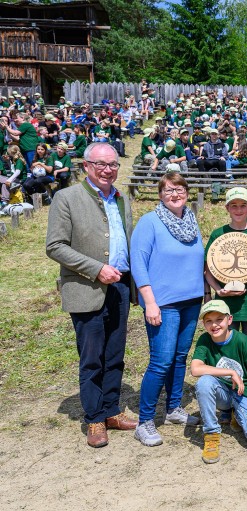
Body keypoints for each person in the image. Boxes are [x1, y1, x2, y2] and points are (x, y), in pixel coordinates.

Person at [46, 143, 137, 448]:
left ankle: (111, 410)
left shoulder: (122, 198)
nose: (108, 169)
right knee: (92, 357)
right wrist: (96, 269)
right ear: (86, 166)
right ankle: (94, 417)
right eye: (101, 164)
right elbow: (55, 246)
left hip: (121, 286)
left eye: (113, 164)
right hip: (88, 288)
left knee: (114, 354)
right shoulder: (66, 198)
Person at [130, 172, 204, 446]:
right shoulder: (149, 222)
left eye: (180, 188)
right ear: (161, 194)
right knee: (161, 361)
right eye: (169, 190)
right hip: (164, 302)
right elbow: (138, 263)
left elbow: (199, 261)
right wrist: (149, 301)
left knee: (180, 356)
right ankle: (145, 421)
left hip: (192, 300)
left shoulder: (191, 222)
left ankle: (173, 408)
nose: (175, 194)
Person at [191, 300, 247, 464]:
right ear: (204, 324)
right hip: (223, 392)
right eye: (209, 321)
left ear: (229, 320)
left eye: (219, 319)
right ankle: (211, 435)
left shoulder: (241, 340)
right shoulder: (205, 340)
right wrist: (230, 371)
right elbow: (195, 369)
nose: (214, 325)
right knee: (204, 382)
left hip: (244, 392)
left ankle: (237, 414)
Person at [204, 187, 247, 357]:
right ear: (227, 208)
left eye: (243, 205)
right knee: (226, 346)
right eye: (233, 205)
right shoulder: (218, 234)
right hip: (225, 303)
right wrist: (217, 290)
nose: (238, 210)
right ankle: (229, 383)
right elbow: (208, 270)